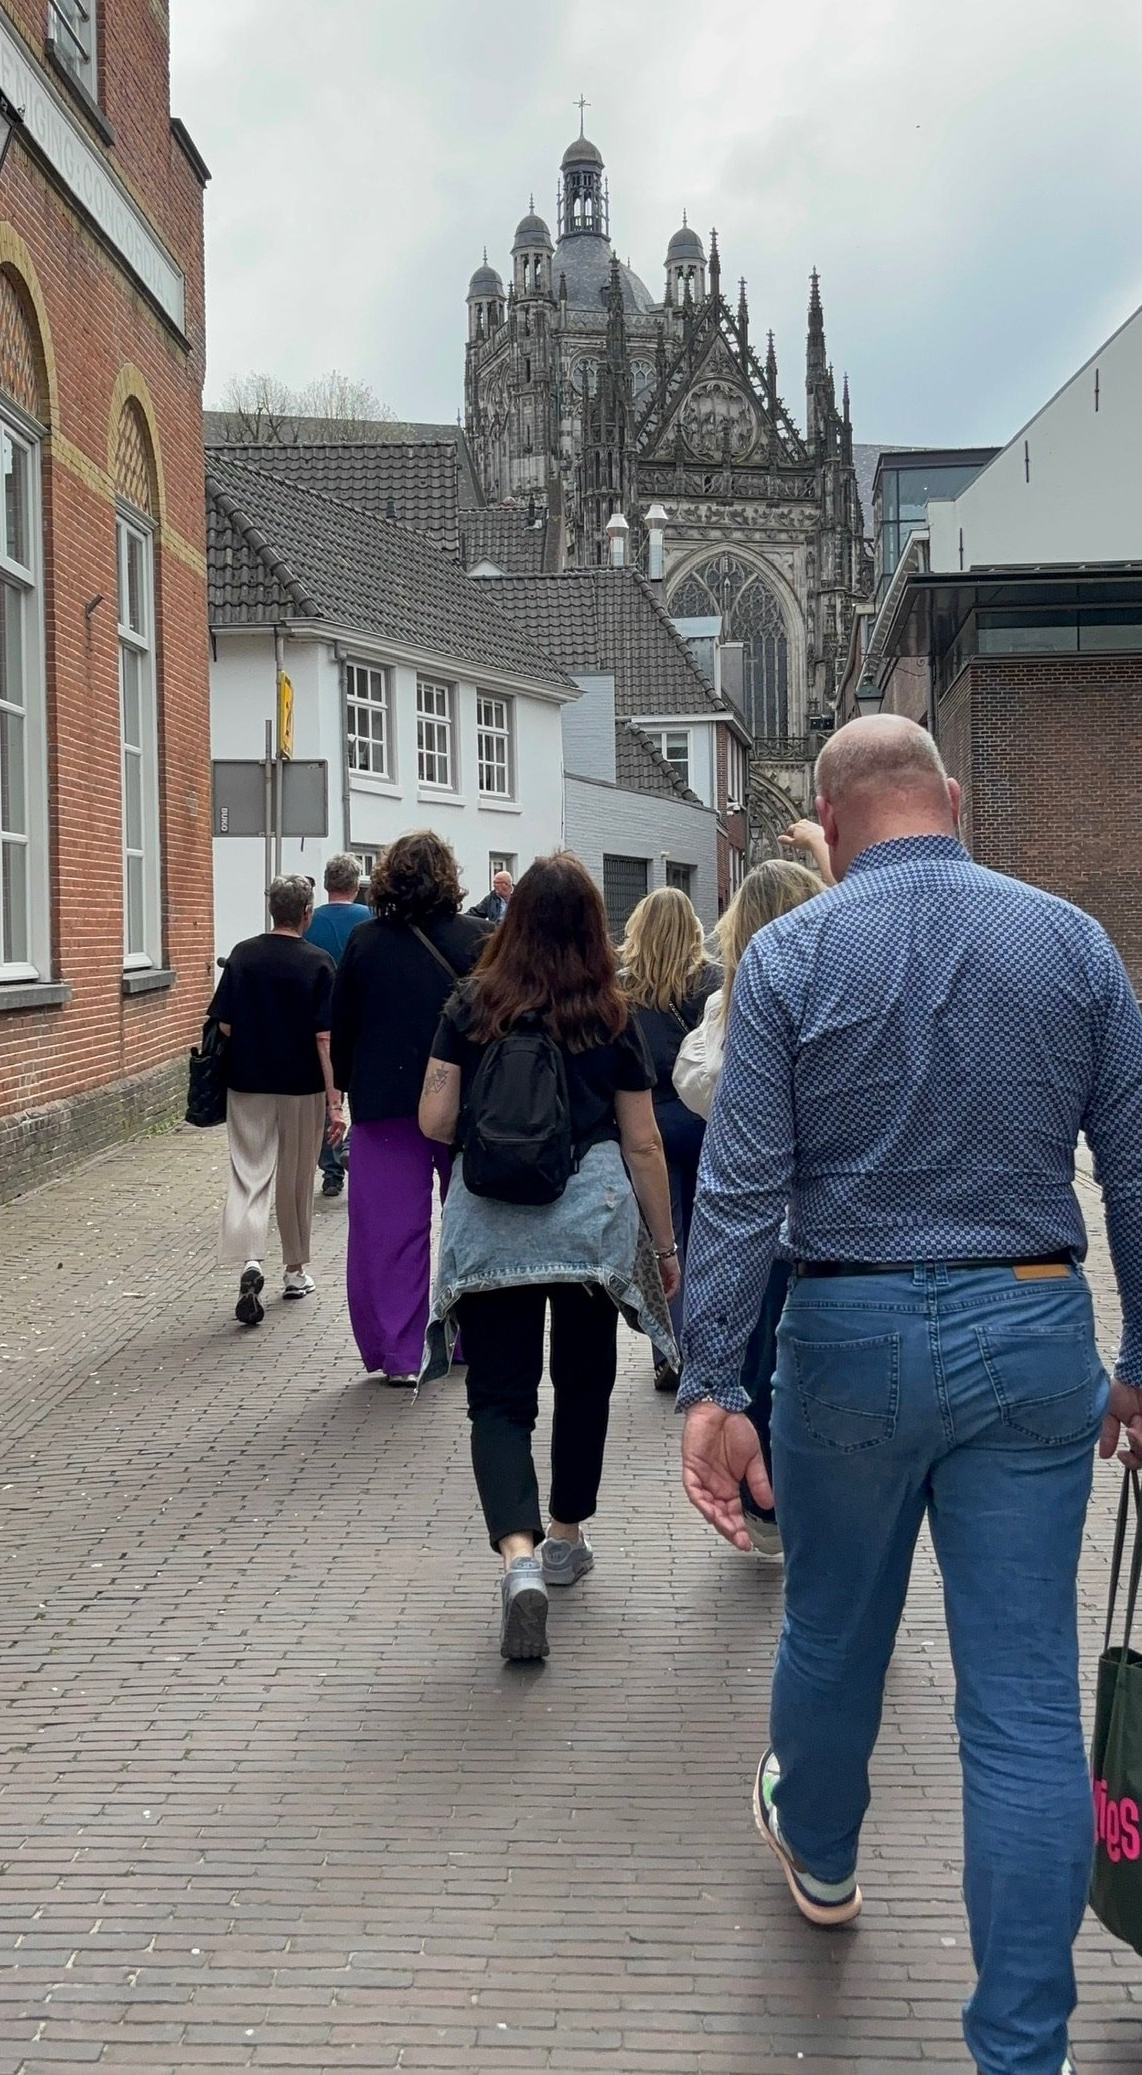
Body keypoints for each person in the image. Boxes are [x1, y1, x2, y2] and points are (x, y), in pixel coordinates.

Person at [677, 714, 1142, 2075]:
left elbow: (742, 1192)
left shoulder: (790, 956)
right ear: (946, 798)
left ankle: (818, 1854)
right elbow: (1132, 1173)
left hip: (844, 1333)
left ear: (824, 823)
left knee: (830, 1637)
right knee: (1019, 1706)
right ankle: (1019, 2048)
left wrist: (714, 1382)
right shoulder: (1074, 947)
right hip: (1029, 1319)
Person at [418, 854, 682, 1663]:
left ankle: (519, 1558)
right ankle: (567, 1532)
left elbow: (433, 1118)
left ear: (517, 921)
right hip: (588, 1226)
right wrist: (665, 1248)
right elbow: (642, 1141)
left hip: (493, 1219)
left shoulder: (470, 1004)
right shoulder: (609, 1012)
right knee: (585, 1379)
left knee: (498, 1399)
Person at [672, 858, 824, 1550]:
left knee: (760, 1355)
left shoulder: (734, 998)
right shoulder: (836, 984)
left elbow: (700, 1087)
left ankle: (767, 1496)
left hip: (760, 1213)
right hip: (824, 1220)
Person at [330, 831, 490, 1385]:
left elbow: (343, 1024)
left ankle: (402, 1352)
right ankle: (472, 1336)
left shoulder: (364, 942)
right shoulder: (480, 940)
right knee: (471, 1221)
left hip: (385, 1102)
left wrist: (343, 1090)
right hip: (467, 1103)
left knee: (391, 1230)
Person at [209, 873, 344, 1327]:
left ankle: (251, 1261)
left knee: (249, 1172)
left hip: (247, 1082)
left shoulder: (243, 956)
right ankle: (294, 1272)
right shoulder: (320, 963)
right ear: (307, 913)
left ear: (273, 910)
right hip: (301, 1086)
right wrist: (334, 1101)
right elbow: (325, 1039)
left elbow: (223, 1025)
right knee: (295, 1177)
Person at [618, 885, 723, 1393]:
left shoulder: (624, 989)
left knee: (667, 1242)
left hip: (649, 1123)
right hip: (706, 1120)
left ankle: (669, 1349)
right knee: (709, 1239)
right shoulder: (715, 982)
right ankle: (707, 1347)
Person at [305, 856, 373, 1198]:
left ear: (328, 883)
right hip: (360, 1019)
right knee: (357, 1088)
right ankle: (352, 1146)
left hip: (318, 1019)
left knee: (326, 1094)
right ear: (355, 884)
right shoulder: (368, 920)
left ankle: (331, 1171)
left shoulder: (310, 920)